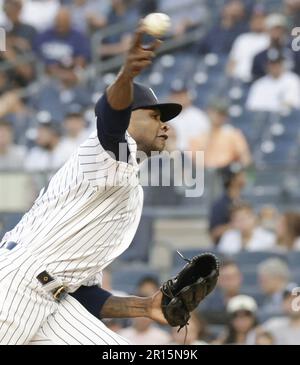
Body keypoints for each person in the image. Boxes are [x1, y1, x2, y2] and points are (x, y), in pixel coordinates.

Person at [0, 25, 184, 345]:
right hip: (16, 284)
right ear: (127, 117)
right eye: (154, 116)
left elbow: (83, 293)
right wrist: (125, 75)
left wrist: (144, 307)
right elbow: (109, 117)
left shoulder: (123, 181)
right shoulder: (102, 153)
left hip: (50, 295)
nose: (164, 124)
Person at [189, 99, 252, 169]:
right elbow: (193, 160)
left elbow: (245, 158)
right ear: (209, 112)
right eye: (216, 113)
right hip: (204, 172)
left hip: (226, 172)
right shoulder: (198, 134)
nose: (219, 117)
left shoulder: (232, 134)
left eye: (222, 114)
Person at [118, 276, 171, 345]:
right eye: (139, 312)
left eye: (145, 313)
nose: (142, 318)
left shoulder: (164, 338)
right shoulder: (121, 335)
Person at [227, 10, 269, 82]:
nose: (258, 22)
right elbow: (232, 62)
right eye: (255, 19)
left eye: (261, 19)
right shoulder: (242, 38)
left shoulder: (269, 39)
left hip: (258, 79)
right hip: (238, 80)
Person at [209, 163, 246, 245]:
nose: (244, 177)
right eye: (240, 175)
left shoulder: (245, 201)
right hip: (226, 250)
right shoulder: (219, 205)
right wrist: (235, 225)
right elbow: (213, 234)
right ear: (232, 180)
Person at [167, 84, 209, 151]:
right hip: (170, 153)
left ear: (188, 96)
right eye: (175, 95)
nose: (178, 98)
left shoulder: (199, 116)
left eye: (181, 95)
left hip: (193, 155)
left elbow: (205, 141)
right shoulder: (166, 115)